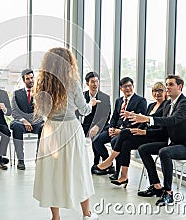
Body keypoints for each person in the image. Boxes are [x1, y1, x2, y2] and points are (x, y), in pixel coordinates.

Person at [33, 47, 99, 220]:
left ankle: (56, 217)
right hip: (70, 129)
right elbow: (84, 110)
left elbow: (43, 111)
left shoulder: (42, 83)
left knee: (52, 172)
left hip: (50, 129)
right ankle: (87, 214)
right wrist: (91, 103)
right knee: (79, 170)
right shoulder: (72, 81)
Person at [132, 75, 186, 206]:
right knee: (143, 149)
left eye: (170, 84)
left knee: (165, 152)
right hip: (173, 143)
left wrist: (147, 119)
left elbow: (173, 120)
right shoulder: (168, 104)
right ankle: (156, 186)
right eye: (167, 84)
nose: (167, 87)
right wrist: (138, 118)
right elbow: (156, 120)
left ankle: (168, 193)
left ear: (179, 87)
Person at [96, 82, 169, 186]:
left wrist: (143, 131)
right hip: (144, 133)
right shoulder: (152, 105)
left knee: (125, 133)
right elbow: (143, 122)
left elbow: (162, 126)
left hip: (155, 136)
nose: (157, 93)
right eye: (154, 91)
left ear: (165, 92)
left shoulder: (166, 106)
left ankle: (110, 160)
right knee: (126, 143)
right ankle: (124, 176)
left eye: (160, 91)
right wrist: (138, 131)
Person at [92, 77, 147, 180]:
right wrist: (111, 128)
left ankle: (118, 172)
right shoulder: (119, 101)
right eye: (125, 86)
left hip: (128, 132)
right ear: (121, 88)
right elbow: (114, 117)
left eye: (130, 86)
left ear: (133, 86)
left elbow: (140, 121)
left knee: (115, 142)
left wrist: (120, 131)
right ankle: (108, 162)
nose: (128, 88)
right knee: (97, 140)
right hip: (115, 129)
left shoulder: (140, 101)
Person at [78, 71, 111, 175]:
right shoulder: (82, 97)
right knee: (75, 137)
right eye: (92, 82)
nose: (95, 84)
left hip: (101, 125)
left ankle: (102, 163)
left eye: (97, 81)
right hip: (85, 125)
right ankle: (78, 164)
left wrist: (97, 126)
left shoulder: (105, 97)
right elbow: (77, 112)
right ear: (87, 83)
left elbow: (106, 115)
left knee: (96, 136)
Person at [10, 68, 44, 170]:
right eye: (28, 79)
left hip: (36, 122)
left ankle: (39, 158)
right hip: (21, 123)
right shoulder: (17, 93)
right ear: (24, 80)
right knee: (16, 127)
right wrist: (24, 121)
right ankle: (21, 160)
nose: (31, 80)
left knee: (44, 127)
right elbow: (14, 111)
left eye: (32, 78)